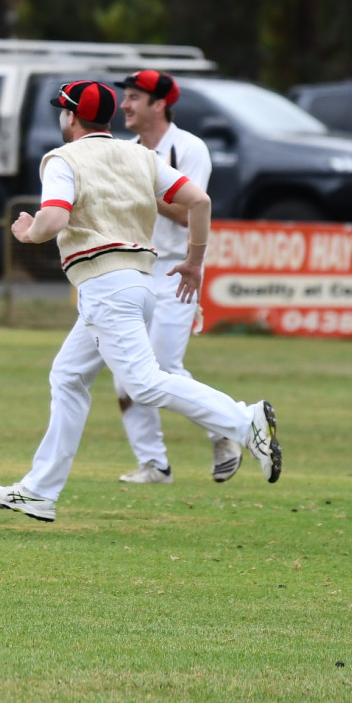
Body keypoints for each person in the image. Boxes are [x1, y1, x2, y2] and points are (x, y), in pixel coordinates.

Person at [0, 80, 280, 523]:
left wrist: (29, 230)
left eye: (62, 112)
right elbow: (199, 201)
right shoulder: (141, 155)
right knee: (67, 377)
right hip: (138, 282)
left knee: (143, 383)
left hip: (106, 285)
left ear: (70, 117)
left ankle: (245, 422)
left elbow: (55, 217)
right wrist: (195, 263)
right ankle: (39, 491)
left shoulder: (62, 159)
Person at [112, 68, 240, 485]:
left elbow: (190, 214)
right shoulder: (127, 149)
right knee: (124, 372)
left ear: (159, 104)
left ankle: (228, 427)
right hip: (133, 270)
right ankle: (154, 464)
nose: (125, 105)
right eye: (125, 97)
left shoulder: (188, 148)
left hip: (175, 272)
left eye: (133, 97)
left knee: (163, 368)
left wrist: (144, 188)